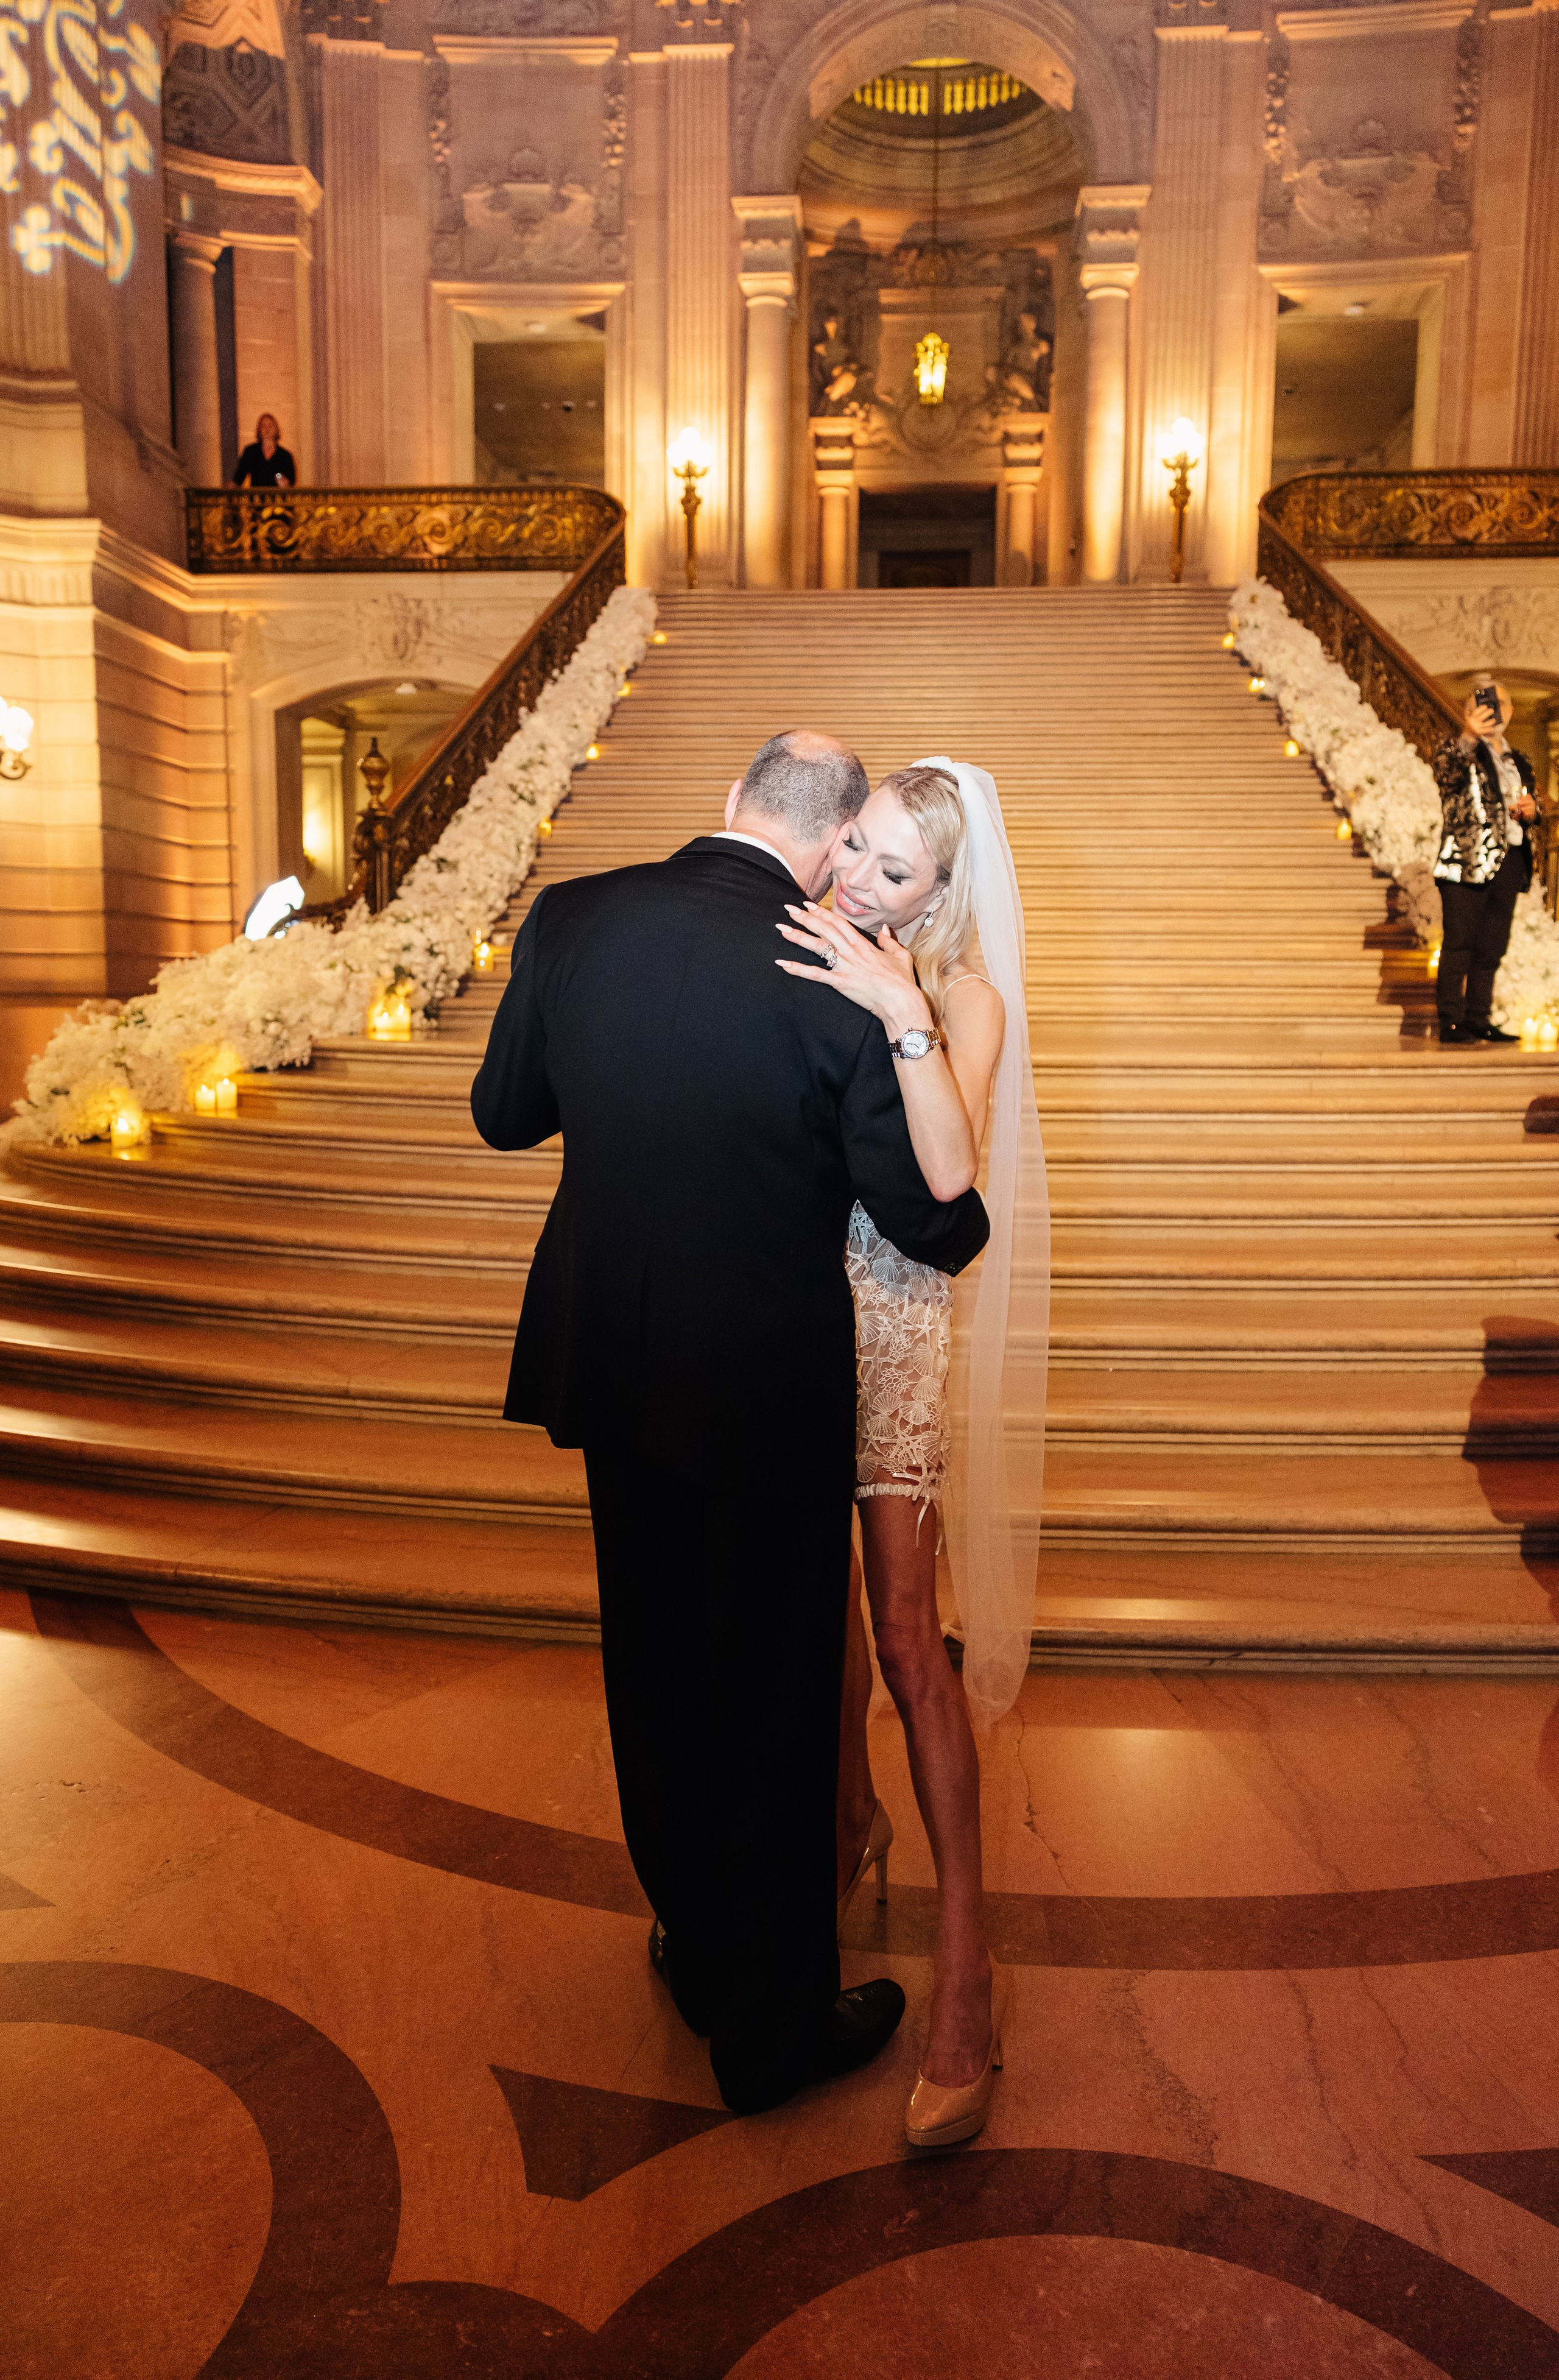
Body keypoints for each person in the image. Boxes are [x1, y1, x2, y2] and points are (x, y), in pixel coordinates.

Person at [470, 730, 989, 2118]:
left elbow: (503, 1116)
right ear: (827, 849)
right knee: (766, 1697)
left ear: (727, 802)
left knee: (651, 1665)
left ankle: (694, 1946)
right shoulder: (828, 982)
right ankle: (765, 2029)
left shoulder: (572, 916)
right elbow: (934, 1223)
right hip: (764, 1383)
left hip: (608, 1362)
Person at [776, 757, 1049, 2149]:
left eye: (894, 871)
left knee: (898, 1638)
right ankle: (840, 1825)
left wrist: (898, 1013)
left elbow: (948, 1177)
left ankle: (965, 1967)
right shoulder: (804, 933)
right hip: (778, 1309)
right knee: (804, 1621)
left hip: (888, 1321)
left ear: (945, 892)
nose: (857, 883)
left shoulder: (960, 996)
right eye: (855, 851)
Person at [1432, 681, 1540, 1045]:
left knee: (1492, 946)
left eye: (1500, 703)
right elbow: (1447, 777)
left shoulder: (1519, 759)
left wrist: (1533, 811)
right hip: (1466, 860)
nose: (1493, 709)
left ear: (1509, 711)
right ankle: (1450, 1020)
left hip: (1510, 859)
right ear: (1468, 711)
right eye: (1481, 703)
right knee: (1459, 942)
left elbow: (1529, 804)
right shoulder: (1457, 750)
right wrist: (1468, 736)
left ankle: (1479, 1018)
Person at [232, 413, 297, 489]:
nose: (267, 429)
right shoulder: (250, 452)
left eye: (270, 426)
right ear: (259, 430)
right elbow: (239, 478)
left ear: (276, 430)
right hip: (256, 498)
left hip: (278, 499)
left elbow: (291, 481)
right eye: (264, 426)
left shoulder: (285, 455)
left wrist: (283, 480)